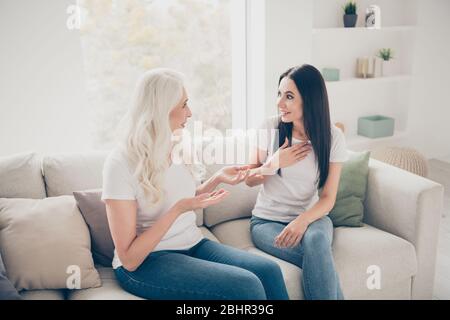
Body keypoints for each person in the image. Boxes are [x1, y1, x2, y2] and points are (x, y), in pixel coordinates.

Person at [101, 68, 289, 300]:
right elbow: (129, 258)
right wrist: (178, 210)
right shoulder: (120, 163)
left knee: (268, 271)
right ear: (161, 109)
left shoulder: (176, 144)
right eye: (183, 105)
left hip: (192, 244)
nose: (189, 113)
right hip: (147, 261)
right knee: (246, 285)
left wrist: (218, 177)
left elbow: (186, 198)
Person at [245, 64, 349, 300]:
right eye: (279, 94)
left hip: (312, 217)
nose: (280, 103)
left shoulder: (332, 137)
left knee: (317, 240)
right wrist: (275, 162)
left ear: (310, 100)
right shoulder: (269, 128)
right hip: (266, 223)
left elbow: (328, 197)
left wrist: (302, 221)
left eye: (289, 96)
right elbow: (249, 180)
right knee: (320, 259)